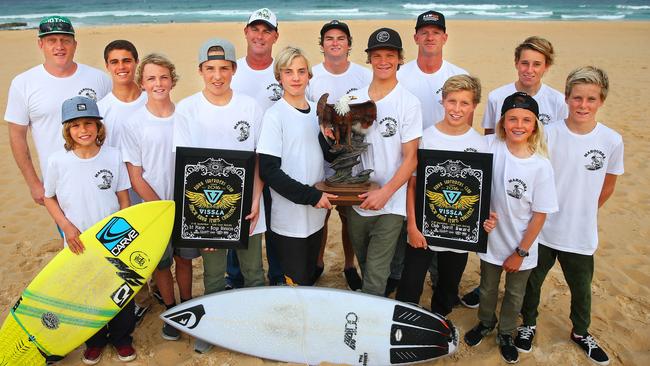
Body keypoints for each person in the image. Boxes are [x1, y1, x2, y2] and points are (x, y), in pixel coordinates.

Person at [517, 67, 622, 366]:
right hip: (544, 229)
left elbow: (609, 184)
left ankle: (581, 331)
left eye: (591, 99)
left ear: (601, 101)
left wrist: (584, 209)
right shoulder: (548, 134)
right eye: (577, 98)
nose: (583, 105)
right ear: (566, 99)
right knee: (532, 282)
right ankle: (528, 324)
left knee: (581, 286)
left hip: (580, 232)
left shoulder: (611, 140)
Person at [174, 38, 267, 353]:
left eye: (224, 68)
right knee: (213, 274)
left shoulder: (250, 107)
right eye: (210, 68)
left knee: (253, 270)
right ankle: (212, 328)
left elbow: (258, 160)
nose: (217, 75)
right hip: (207, 211)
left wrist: (255, 201)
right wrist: (204, 220)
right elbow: (186, 169)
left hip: (248, 207)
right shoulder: (187, 108)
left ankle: (256, 327)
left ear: (233, 69)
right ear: (200, 70)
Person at [462, 35, 568, 309]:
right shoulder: (498, 96)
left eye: (536, 64)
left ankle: (523, 304)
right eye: (524, 63)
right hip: (501, 185)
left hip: (535, 183)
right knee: (495, 244)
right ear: (516, 64)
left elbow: (556, 145)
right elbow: (487, 142)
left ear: (546, 66)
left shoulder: (557, 101)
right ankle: (485, 291)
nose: (529, 69)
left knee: (528, 247)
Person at [464, 92, 558, 364]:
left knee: (515, 293)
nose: (518, 125)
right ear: (502, 122)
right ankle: (485, 322)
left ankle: (506, 332)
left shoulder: (541, 166)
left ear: (535, 125)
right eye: (512, 118)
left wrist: (521, 251)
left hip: (522, 246)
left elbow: (540, 215)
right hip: (491, 239)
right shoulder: (489, 145)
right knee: (488, 287)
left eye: (526, 120)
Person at [42, 96, 133, 364]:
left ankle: (121, 338)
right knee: (87, 292)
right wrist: (67, 228)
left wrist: (123, 231)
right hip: (78, 240)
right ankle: (94, 341)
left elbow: (123, 197)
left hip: (112, 238)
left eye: (89, 123)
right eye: (76, 125)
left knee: (119, 290)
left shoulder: (113, 155)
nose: (83, 130)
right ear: (67, 130)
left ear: (98, 127)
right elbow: (49, 198)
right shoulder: (58, 161)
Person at [396, 75, 496, 315]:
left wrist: (487, 218)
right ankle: (406, 322)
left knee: (448, 287)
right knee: (410, 284)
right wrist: (412, 225)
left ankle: (439, 322)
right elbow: (412, 185)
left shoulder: (481, 145)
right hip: (422, 228)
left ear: (474, 106)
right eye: (452, 101)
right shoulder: (425, 138)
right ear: (442, 101)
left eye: (464, 103)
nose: (457, 109)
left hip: (459, 234)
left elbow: (481, 193)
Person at [120, 53, 200, 345]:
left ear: (173, 80)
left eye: (164, 77)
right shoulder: (133, 123)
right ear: (142, 83)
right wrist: (163, 208)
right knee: (162, 263)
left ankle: (188, 304)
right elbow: (135, 175)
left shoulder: (187, 117)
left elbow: (197, 166)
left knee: (185, 259)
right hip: (154, 208)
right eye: (151, 78)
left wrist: (184, 205)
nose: (158, 83)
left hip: (187, 205)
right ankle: (171, 309)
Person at [389, 10, 468, 296]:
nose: (430, 36)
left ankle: (439, 280)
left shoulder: (458, 76)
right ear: (415, 37)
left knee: (442, 223)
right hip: (406, 161)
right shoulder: (402, 75)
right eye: (424, 31)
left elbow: (465, 127)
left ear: (445, 37)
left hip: (444, 168)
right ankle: (398, 276)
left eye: (436, 32)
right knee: (404, 226)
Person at [343, 28, 422, 297]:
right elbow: (338, 143)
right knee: (367, 264)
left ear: (400, 58)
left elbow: (412, 158)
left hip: (391, 202)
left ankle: (367, 327)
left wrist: (385, 192)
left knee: (375, 273)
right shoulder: (353, 99)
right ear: (369, 59)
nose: (384, 61)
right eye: (377, 55)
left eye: (390, 55)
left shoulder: (408, 102)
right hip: (357, 198)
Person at [6, 15, 111, 209]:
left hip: (101, 175)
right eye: (51, 40)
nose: (59, 46)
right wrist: (34, 184)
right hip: (59, 180)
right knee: (71, 235)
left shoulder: (99, 79)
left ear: (75, 44)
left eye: (65, 40)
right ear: (41, 44)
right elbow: (16, 136)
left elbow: (113, 121)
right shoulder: (23, 83)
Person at [257, 46, 335, 286]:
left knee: (308, 278)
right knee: (292, 283)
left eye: (301, 71)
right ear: (279, 77)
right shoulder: (274, 115)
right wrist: (311, 195)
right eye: (288, 72)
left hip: (315, 215)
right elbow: (269, 171)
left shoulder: (317, 114)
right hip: (289, 220)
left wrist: (332, 142)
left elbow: (328, 157)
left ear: (309, 76)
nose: (296, 77)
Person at [306, 19, 371, 289]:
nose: (335, 43)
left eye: (340, 38)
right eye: (329, 38)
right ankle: (318, 262)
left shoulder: (363, 76)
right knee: (319, 213)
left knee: (348, 216)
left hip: (350, 157)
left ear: (349, 44)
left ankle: (348, 265)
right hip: (318, 155)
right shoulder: (311, 75)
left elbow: (368, 115)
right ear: (321, 45)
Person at [228, 8, 284, 287]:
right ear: (246, 32)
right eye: (255, 29)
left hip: (276, 162)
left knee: (275, 223)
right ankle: (235, 278)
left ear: (275, 35)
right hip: (240, 163)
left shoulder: (282, 73)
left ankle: (277, 277)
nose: (260, 35)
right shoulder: (233, 72)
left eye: (266, 30)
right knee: (237, 221)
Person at [98, 40, 147, 148]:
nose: (121, 67)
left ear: (137, 62)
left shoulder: (152, 101)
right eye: (114, 62)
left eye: (127, 61)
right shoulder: (100, 110)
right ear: (107, 66)